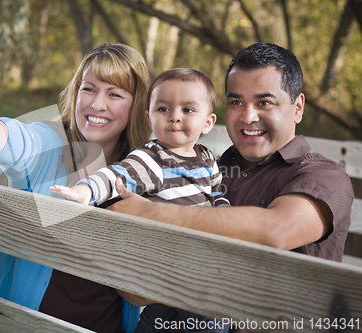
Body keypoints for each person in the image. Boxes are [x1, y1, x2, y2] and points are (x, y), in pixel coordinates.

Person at [108, 42, 354, 332]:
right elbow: (137, 288)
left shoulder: (323, 176)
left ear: (297, 107)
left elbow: (275, 231)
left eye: (265, 102)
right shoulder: (209, 170)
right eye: (236, 102)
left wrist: (148, 212)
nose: (248, 117)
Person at [0, 42, 152, 333]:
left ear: (137, 104)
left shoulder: (143, 168)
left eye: (114, 94)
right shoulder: (51, 142)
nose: (97, 104)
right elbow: (18, 140)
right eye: (89, 89)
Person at [51, 68, 230, 333]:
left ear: (208, 122)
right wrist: (86, 190)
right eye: (163, 109)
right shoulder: (151, 158)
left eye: (188, 110)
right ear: (149, 118)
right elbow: (116, 175)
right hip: (166, 269)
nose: (175, 118)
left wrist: (225, 220)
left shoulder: (206, 158)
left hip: (199, 267)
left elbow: (217, 194)